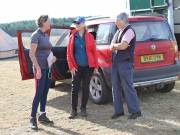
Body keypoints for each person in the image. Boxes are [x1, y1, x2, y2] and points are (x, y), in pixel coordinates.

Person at [110, 12, 142, 120]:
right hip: (116, 62)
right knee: (115, 87)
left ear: (123, 21)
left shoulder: (129, 31)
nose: (116, 24)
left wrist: (115, 46)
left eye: (118, 22)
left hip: (125, 63)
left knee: (128, 87)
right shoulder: (119, 31)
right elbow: (111, 46)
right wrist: (115, 46)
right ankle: (118, 111)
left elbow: (123, 46)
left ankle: (135, 111)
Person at [67, 16, 98, 119]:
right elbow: (69, 53)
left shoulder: (90, 36)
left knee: (85, 88)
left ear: (84, 24)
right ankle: (73, 110)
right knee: (74, 88)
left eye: (78, 23)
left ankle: (83, 108)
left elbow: (94, 51)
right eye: (75, 23)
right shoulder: (72, 36)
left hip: (88, 67)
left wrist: (96, 66)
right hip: (76, 67)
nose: (76, 25)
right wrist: (71, 66)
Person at [29, 15, 56, 130]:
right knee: (39, 93)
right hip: (40, 68)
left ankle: (42, 115)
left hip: (48, 67)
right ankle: (32, 118)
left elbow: (47, 50)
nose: (50, 23)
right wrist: (38, 69)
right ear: (43, 22)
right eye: (49, 21)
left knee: (45, 92)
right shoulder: (36, 35)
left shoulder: (45, 35)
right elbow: (31, 54)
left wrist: (52, 57)